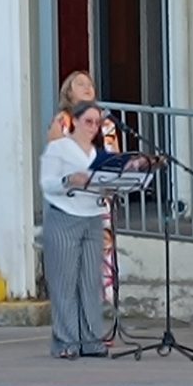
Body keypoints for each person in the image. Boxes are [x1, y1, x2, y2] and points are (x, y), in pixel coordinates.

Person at [39, 100, 111, 359]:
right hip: (64, 215)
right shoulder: (59, 148)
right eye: (88, 121)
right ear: (75, 121)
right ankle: (65, 341)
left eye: (97, 123)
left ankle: (91, 339)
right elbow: (47, 183)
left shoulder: (98, 153)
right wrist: (69, 180)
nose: (93, 127)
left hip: (92, 216)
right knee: (64, 282)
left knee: (90, 281)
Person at [48, 71, 121, 303]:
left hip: (99, 198)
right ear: (69, 93)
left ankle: (103, 306)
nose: (87, 87)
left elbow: (114, 157)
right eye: (80, 84)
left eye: (90, 84)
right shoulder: (63, 120)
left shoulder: (105, 123)